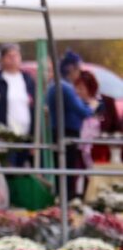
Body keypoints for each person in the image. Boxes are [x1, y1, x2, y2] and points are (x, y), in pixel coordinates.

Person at [48, 50, 94, 199]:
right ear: (71, 69)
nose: (79, 74)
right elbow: (82, 111)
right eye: (78, 69)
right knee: (66, 170)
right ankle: (65, 201)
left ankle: (62, 198)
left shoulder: (53, 85)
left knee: (61, 168)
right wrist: (91, 106)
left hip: (58, 131)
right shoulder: (65, 88)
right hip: (67, 132)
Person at [0, 43, 35, 166]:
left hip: (25, 135)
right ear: (2, 59)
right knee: (8, 168)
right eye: (9, 56)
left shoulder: (27, 79)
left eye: (16, 55)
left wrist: (35, 136)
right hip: (5, 135)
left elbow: (34, 107)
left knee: (21, 170)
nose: (13, 58)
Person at [76, 70, 122, 164]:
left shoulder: (106, 102)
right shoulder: (74, 104)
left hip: (100, 153)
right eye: (76, 88)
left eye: (81, 88)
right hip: (79, 149)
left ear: (90, 88)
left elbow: (115, 126)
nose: (78, 91)